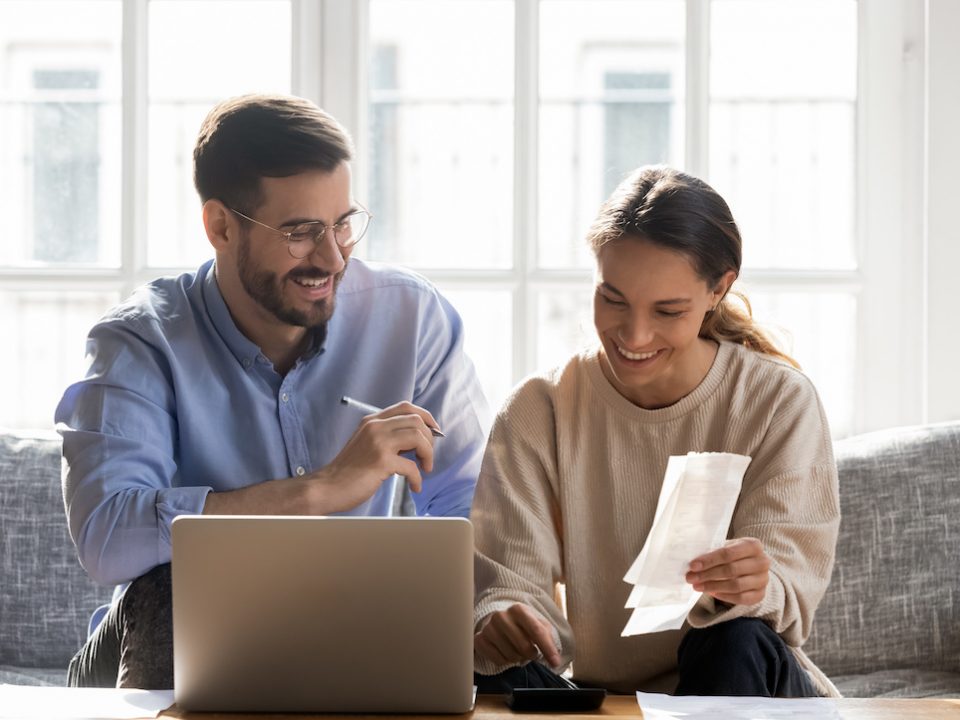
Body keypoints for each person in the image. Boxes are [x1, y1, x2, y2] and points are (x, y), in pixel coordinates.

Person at [55, 94, 490, 689]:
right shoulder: (140, 342)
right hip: (165, 641)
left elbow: (471, 506)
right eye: (300, 231)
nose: (332, 257)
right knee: (169, 585)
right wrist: (317, 492)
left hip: (350, 630)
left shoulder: (412, 319)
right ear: (220, 226)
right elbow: (107, 538)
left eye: (342, 224)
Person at [471, 166, 840, 697]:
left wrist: (757, 583)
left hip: (742, 684)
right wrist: (506, 619)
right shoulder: (541, 408)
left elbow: (788, 590)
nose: (635, 335)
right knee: (476, 665)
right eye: (612, 299)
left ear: (719, 289)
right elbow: (509, 581)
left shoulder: (776, 401)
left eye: (668, 310)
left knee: (733, 640)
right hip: (603, 695)